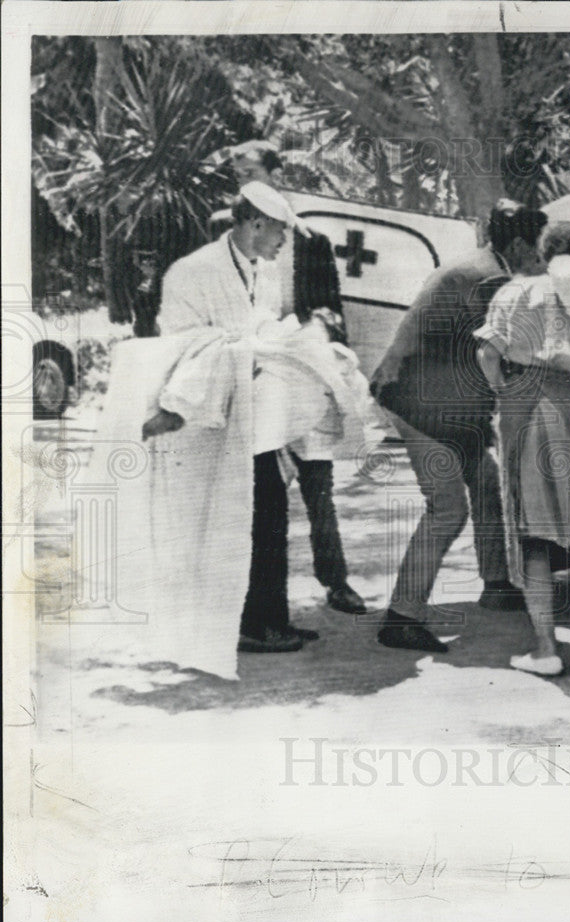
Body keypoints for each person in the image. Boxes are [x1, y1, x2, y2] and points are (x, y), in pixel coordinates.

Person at [145, 181, 327, 653]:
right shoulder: (192, 271)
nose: (285, 241)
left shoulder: (263, 272)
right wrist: (248, 349)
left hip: (254, 412)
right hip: (207, 417)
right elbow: (183, 345)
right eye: (282, 231)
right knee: (235, 519)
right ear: (257, 223)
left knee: (269, 512)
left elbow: (261, 326)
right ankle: (250, 624)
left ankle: (270, 618)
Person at [369, 200, 548, 652]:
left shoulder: (481, 267)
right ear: (523, 243)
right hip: (420, 406)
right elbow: (503, 353)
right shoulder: (490, 277)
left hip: (445, 406)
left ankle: (496, 582)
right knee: (448, 507)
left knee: (486, 483)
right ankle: (401, 616)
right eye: (540, 246)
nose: (543, 256)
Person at [220, 140, 366, 616]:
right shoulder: (220, 234)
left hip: (298, 367)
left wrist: (316, 336)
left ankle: (336, 580)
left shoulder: (311, 240)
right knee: (251, 490)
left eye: (251, 172)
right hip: (249, 367)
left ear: (274, 176)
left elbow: (329, 303)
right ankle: (252, 598)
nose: (243, 182)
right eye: (238, 174)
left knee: (317, 480)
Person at [476, 224, 570, 676]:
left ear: (543, 254)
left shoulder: (514, 296)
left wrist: (508, 391)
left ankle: (546, 649)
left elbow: (487, 355)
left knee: (533, 533)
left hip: (530, 410)